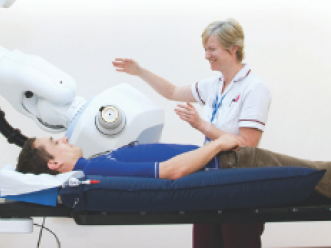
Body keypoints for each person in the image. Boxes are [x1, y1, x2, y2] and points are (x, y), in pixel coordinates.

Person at [112, 18, 270, 248]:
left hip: (237, 180)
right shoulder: (214, 84)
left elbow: (247, 144)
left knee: (238, 241)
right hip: (208, 173)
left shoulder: (254, 88)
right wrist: (139, 72)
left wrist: (201, 125)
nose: (207, 55)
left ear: (233, 48)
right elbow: (173, 91)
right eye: (205, 49)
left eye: (212, 49)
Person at [15, 135, 331, 199]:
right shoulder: (94, 172)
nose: (65, 137)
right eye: (56, 142)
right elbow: (170, 172)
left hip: (229, 158)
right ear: (55, 163)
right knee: (323, 175)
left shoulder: (94, 164)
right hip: (234, 160)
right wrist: (218, 144)